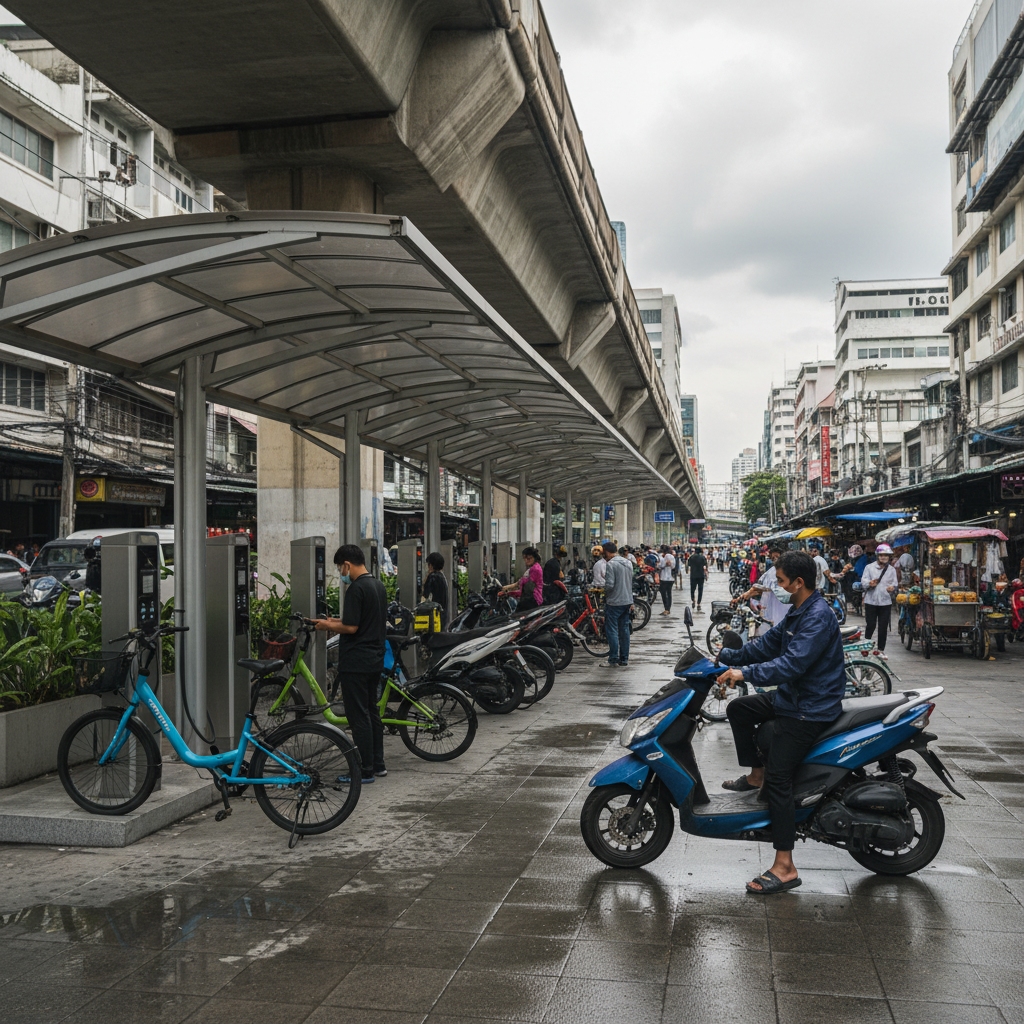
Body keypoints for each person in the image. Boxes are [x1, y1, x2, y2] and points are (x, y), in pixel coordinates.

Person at [716, 550, 845, 894]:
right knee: (739, 710)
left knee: (780, 778)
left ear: (799, 583)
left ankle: (785, 865)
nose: (778, 588)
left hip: (810, 707)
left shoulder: (817, 616)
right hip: (793, 697)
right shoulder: (797, 611)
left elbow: (791, 665)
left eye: (782, 582)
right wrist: (725, 656)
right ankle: (755, 775)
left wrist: (744, 672)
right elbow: (768, 645)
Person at [313, 544, 389, 783]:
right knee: (372, 711)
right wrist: (334, 620)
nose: (340, 573)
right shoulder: (377, 585)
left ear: (347, 564)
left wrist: (326, 626)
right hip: (374, 660)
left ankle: (365, 770)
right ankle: (378, 764)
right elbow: (361, 620)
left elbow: (352, 627)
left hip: (356, 662)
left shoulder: (356, 589)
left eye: (339, 567)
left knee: (358, 717)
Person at [736, 543, 790, 634]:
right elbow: (760, 586)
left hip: (780, 611)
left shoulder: (784, 571)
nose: (775, 559)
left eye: (777, 556)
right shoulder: (772, 570)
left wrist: (748, 594)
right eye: (773, 557)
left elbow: (764, 588)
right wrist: (747, 595)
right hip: (770, 612)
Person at [861, 542, 899, 651]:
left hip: (885, 602)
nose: (884, 557)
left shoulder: (891, 570)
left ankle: (881, 650)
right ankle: (866, 648)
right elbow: (863, 582)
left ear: (889, 557)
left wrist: (892, 588)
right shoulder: (869, 567)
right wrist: (870, 583)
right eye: (882, 555)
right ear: (878, 556)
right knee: (870, 625)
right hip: (871, 601)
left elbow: (895, 583)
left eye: (886, 555)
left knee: (883, 627)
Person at [602, 541, 633, 667]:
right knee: (624, 630)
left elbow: (609, 585)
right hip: (627, 600)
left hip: (614, 602)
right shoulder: (628, 562)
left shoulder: (611, 564)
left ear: (607, 552)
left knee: (612, 631)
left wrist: (603, 591)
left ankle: (613, 658)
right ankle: (624, 659)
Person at [421, 551, 450, 629]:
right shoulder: (442, 576)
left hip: (434, 615)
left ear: (431, 565)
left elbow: (425, 595)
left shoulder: (432, 576)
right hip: (443, 614)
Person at [687, 546, 708, 613]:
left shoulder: (691, 557)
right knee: (700, 589)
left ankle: (693, 600)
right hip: (701, 575)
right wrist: (706, 574)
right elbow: (704, 567)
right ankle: (699, 603)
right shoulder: (703, 558)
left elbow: (689, 566)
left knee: (692, 589)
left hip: (693, 575)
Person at [657, 545, 676, 615]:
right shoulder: (672, 557)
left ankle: (667, 609)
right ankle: (668, 609)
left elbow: (661, 565)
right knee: (669, 593)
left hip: (664, 578)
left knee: (663, 593)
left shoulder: (666, 556)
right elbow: (673, 566)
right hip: (671, 578)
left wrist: (658, 565)